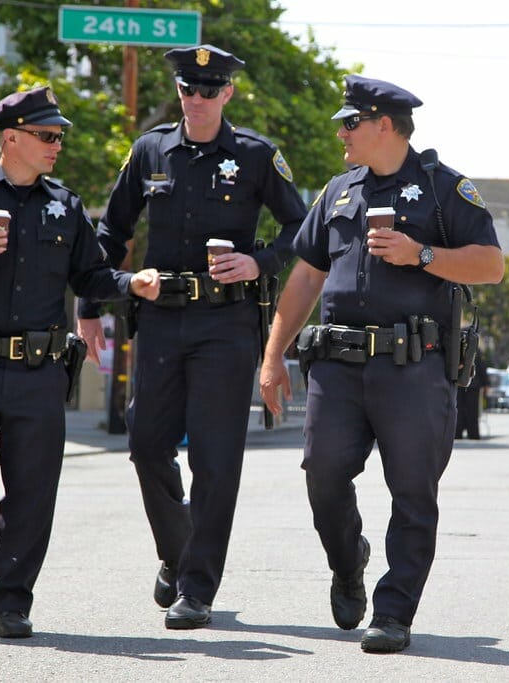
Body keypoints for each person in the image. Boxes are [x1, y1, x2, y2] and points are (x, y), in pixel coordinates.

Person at [258, 75, 503, 653]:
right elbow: (306, 277)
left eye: (351, 123)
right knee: (322, 473)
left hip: (414, 366)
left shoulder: (445, 189)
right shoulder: (338, 192)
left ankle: (394, 613)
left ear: (384, 126)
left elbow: (491, 264)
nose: (341, 132)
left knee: (413, 492)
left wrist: (421, 255)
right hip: (338, 366)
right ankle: (349, 562)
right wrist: (272, 355)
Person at [0, 86, 161, 638]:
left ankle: (12, 601)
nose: (57, 145)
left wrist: (130, 283)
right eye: (47, 136)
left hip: (39, 371)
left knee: (32, 489)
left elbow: (91, 276)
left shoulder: (64, 205)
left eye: (60, 137)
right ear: (11, 139)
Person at [75, 45, 308, 630]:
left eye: (209, 90)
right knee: (146, 443)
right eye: (187, 89)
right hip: (158, 318)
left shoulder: (255, 155)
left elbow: (302, 228)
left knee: (215, 456)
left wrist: (260, 262)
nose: (197, 99)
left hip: (226, 326)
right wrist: (90, 301)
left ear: (227, 93)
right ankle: (177, 552)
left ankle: (198, 587)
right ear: (178, 91)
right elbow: (113, 229)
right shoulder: (150, 148)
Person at [455, 351, 488, 440]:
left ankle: (458, 432)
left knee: (459, 409)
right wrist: (485, 383)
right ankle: (473, 433)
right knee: (472, 411)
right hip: (473, 385)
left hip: (460, 383)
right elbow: (481, 367)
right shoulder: (475, 350)